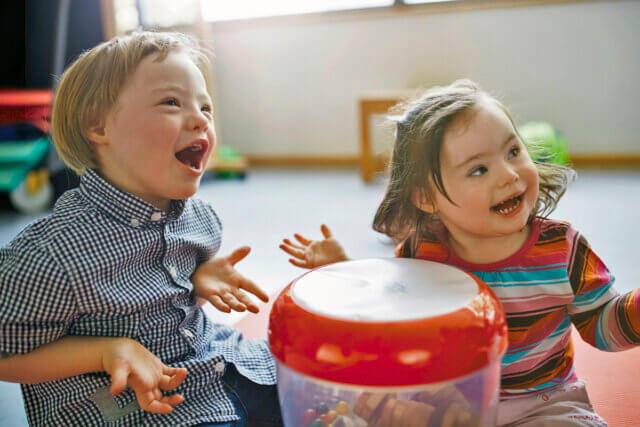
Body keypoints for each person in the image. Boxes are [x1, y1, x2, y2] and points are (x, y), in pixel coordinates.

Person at [280, 79, 639, 426]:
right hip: (447, 403)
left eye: (513, 151)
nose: (509, 175)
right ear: (426, 197)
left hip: (540, 404)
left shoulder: (563, 248)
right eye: (479, 169)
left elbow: (603, 327)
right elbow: (385, 318)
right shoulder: (422, 252)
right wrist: (343, 271)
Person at [0, 31, 282, 426]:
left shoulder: (200, 219)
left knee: (326, 382)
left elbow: (168, 310)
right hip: (141, 410)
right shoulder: (51, 254)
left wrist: (196, 282)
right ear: (99, 127)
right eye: (171, 102)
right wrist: (102, 352)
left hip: (222, 367)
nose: (201, 118)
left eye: (206, 107)